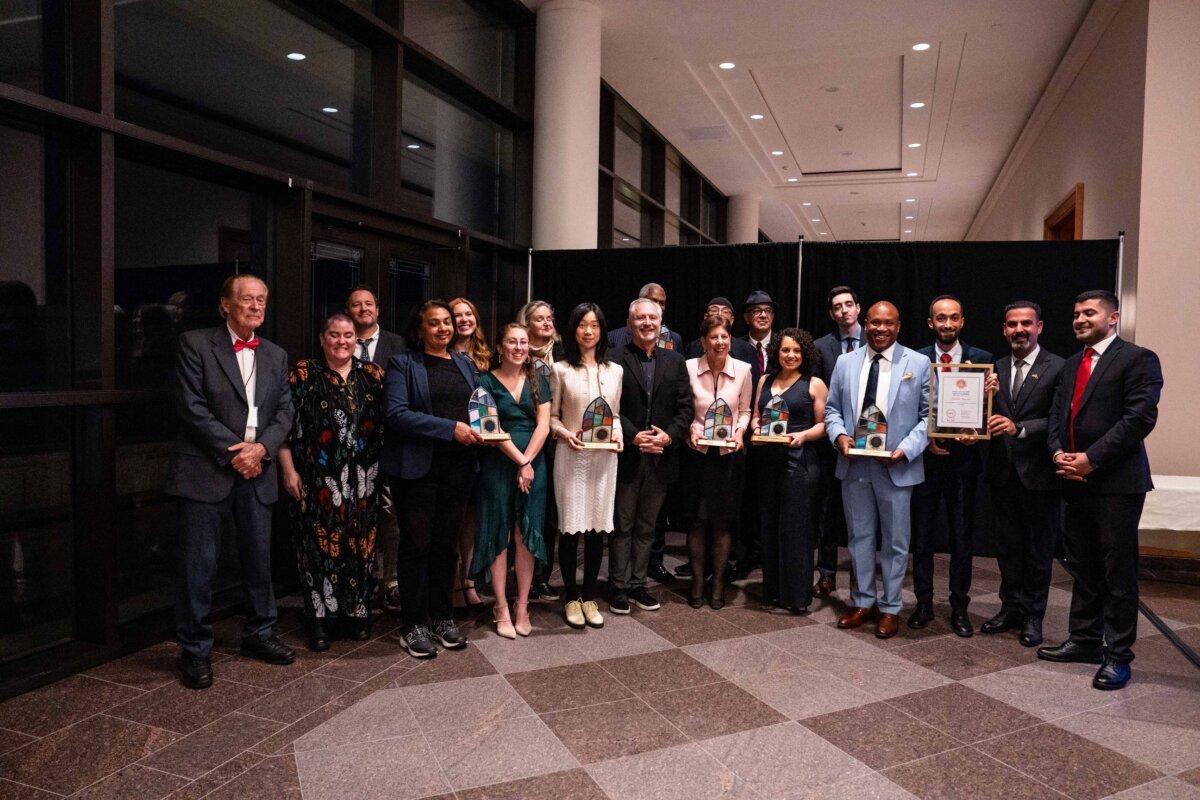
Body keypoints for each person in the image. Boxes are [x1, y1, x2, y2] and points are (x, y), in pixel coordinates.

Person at [166, 274, 296, 690]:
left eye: (262, 300)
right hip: (206, 471)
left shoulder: (276, 354)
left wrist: (261, 450)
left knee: (259, 561)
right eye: (246, 299)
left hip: (258, 471)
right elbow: (191, 408)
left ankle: (260, 635)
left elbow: (285, 413)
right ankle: (196, 650)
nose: (256, 306)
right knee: (198, 566)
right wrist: (238, 450)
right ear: (225, 304)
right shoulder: (195, 343)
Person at [1040, 290, 1162, 691]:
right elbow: (1058, 415)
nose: (1079, 319)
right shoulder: (1072, 363)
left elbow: (1138, 419)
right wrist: (1058, 453)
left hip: (1115, 484)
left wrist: (1091, 458)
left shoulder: (1137, 359)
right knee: (1083, 566)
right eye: (1076, 314)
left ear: (1113, 318)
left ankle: (1117, 655)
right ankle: (1085, 639)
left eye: (1088, 313)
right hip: (1073, 481)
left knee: (1117, 573)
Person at [278, 313, 385, 651]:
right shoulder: (303, 374)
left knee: (361, 546)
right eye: (335, 335)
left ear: (357, 339)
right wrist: (288, 470)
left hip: (365, 482)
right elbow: (282, 427)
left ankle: (357, 613)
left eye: (348, 335)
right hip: (316, 481)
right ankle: (320, 620)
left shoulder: (373, 375)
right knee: (318, 548)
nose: (342, 341)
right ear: (323, 338)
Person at [382, 300, 481, 658]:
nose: (443, 329)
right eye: (434, 323)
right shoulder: (402, 364)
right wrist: (450, 429)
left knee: (445, 547)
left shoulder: (464, 364)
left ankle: (442, 618)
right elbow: (396, 414)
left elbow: (476, 409)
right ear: (420, 329)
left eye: (447, 323)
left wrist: (485, 428)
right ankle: (412, 625)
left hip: (458, 468)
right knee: (415, 547)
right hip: (416, 470)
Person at [825, 301, 929, 639]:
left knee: (897, 543)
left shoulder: (919, 362)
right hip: (855, 464)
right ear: (865, 324)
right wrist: (839, 435)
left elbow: (930, 417)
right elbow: (831, 410)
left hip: (896, 466)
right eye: (874, 323)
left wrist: (905, 450)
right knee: (859, 538)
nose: (880, 329)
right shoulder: (845, 362)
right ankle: (863, 601)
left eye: (888, 323)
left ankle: (891, 607)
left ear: (898, 326)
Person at [983, 301, 1065, 647]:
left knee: (1038, 550)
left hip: (1039, 476)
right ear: (1004, 329)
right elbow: (985, 417)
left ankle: (1034, 616)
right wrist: (984, 400)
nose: (1019, 330)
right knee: (1008, 548)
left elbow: (1057, 419)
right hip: (1003, 475)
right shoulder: (996, 368)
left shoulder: (1058, 367)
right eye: (1012, 324)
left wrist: (1019, 428)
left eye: (1026, 324)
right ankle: (1010, 607)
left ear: (1039, 327)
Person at [909, 295, 992, 636]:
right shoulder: (915, 360)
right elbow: (908, 407)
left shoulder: (983, 361)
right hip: (926, 460)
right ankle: (924, 604)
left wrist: (984, 417)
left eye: (953, 318)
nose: (947, 324)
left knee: (962, 538)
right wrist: (925, 436)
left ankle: (960, 607)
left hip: (964, 462)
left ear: (962, 321)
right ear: (931, 323)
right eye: (940, 318)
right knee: (923, 537)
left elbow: (987, 414)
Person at [610, 299, 692, 614]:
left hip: (661, 456)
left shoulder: (675, 360)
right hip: (628, 454)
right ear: (630, 324)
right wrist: (634, 435)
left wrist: (669, 435)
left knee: (647, 526)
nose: (647, 323)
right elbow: (610, 405)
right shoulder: (615, 359)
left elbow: (685, 407)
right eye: (641, 318)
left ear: (661, 322)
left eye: (653, 318)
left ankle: (637, 584)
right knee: (622, 525)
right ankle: (618, 588)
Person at [473, 323, 551, 639]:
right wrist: (520, 462)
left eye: (523, 342)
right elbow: (488, 427)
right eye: (512, 342)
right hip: (498, 461)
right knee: (498, 531)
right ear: (501, 346)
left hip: (534, 460)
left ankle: (522, 608)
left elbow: (544, 426)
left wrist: (528, 461)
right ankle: (501, 607)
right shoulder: (485, 382)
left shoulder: (538, 380)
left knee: (525, 534)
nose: (518, 347)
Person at [549, 302, 623, 629]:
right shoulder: (561, 369)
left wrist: (619, 436)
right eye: (582, 325)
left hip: (604, 459)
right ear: (573, 330)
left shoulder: (615, 371)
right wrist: (566, 434)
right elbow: (550, 418)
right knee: (570, 528)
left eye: (594, 325)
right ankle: (570, 597)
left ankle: (590, 596)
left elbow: (616, 415)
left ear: (602, 330)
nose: (589, 331)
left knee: (596, 529)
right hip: (571, 455)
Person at [677, 297, 755, 581]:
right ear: (703, 340)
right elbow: (682, 409)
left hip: (728, 458)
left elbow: (745, 410)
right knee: (696, 523)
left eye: (724, 336)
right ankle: (697, 583)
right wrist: (689, 430)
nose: (720, 342)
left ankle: (719, 583)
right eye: (714, 337)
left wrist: (740, 431)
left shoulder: (744, 370)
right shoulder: (687, 368)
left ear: (730, 339)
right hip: (696, 455)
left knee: (722, 524)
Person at [751, 328, 827, 614]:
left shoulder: (814, 384)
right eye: (785, 350)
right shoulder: (764, 381)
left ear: (804, 353)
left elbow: (825, 424)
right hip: (768, 462)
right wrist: (755, 427)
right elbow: (756, 417)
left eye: (796, 350)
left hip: (800, 461)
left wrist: (804, 436)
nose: (790, 355)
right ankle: (772, 592)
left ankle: (797, 596)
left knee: (797, 530)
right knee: (769, 526)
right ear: (777, 353)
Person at [346, 287, 407, 615]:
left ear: (378, 309)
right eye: (356, 304)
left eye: (368, 303)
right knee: (357, 512)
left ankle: (391, 580)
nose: (363, 309)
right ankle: (362, 577)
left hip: (391, 441)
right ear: (349, 311)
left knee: (390, 513)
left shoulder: (398, 345)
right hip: (352, 444)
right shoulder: (339, 341)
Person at [811, 286, 865, 598]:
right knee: (828, 512)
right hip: (831, 443)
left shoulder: (874, 342)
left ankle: (862, 574)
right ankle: (827, 574)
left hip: (870, 440)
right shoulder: (821, 347)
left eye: (849, 304)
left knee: (863, 513)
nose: (843, 310)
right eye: (837, 307)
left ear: (858, 308)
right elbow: (819, 392)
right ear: (832, 314)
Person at [519, 300, 565, 601]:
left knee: (551, 515)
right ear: (527, 324)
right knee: (524, 512)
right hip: (526, 441)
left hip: (558, 442)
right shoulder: (517, 354)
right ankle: (520, 573)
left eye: (550, 318)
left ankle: (541, 577)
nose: (547, 323)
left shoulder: (562, 355)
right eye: (539, 319)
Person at [450, 297, 491, 614]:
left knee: (472, 521)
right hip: (454, 445)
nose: (464, 319)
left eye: (468, 313)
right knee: (453, 518)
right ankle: (452, 584)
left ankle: (469, 582)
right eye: (457, 315)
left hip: (484, 450)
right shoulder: (444, 354)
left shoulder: (486, 356)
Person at [735, 290, 778, 577]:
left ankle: (771, 554)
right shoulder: (735, 346)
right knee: (744, 499)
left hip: (777, 437)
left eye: (767, 310)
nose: (762, 314)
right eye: (755, 310)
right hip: (741, 438)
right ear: (746, 317)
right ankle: (744, 555)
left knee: (772, 499)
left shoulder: (787, 345)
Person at [608, 282, 683, 351]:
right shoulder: (613, 338)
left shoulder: (674, 338)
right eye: (653, 301)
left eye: (662, 303)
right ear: (640, 301)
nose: (658, 306)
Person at [684, 297, 758, 364]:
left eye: (725, 312)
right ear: (706, 317)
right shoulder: (692, 348)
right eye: (714, 310)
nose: (719, 314)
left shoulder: (747, 349)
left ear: (732, 320)